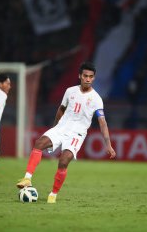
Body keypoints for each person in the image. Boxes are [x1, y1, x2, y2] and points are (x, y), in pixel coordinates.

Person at [16, 62, 116, 203]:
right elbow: (61, 109)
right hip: (62, 128)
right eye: (85, 76)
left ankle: (53, 194)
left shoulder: (97, 99)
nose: (88, 79)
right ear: (79, 76)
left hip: (77, 134)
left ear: (94, 78)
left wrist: (108, 144)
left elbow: (102, 122)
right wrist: (54, 127)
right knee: (39, 143)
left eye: (91, 77)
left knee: (63, 161)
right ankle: (27, 178)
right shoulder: (70, 91)